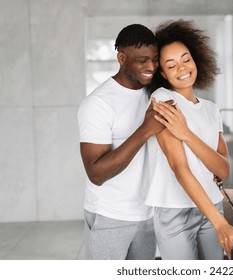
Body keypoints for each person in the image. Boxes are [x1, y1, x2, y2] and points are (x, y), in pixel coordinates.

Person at [146, 19, 233, 260]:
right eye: (171, 65)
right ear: (162, 73)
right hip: (175, 211)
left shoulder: (211, 109)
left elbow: (223, 169)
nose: (182, 68)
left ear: (195, 59)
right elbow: (179, 168)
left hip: (211, 206)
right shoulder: (163, 99)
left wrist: (186, 134)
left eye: (186, 59)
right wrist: (221, 224)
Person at [77, 24, 166, 260]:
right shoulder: (98, 104)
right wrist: (144, 130)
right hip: (110, 215)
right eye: (142, 60)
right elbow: (96, 173)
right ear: (122, 58)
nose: (151, 67)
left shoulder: (154, 93)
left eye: (155, 59)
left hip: (148, 214)